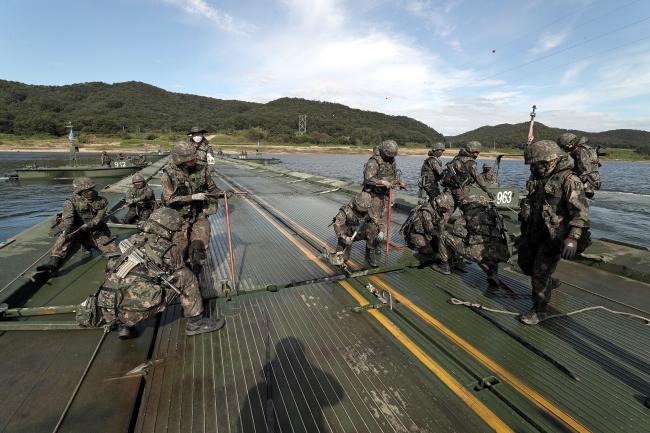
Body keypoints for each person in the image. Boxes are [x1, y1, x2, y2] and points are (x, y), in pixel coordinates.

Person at [87, 207, 224, 338]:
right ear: (168, 228)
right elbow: (177, 272)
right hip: (136, 312)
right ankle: (196, 322)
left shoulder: (129, 240)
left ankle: (125, 327)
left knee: (125, 276)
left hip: (110, 310)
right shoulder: (168, 248)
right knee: (186, 277)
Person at [517, 140, 590, 325]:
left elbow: (580, 212)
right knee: (525, 263)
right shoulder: (538, 177)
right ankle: (548, 282)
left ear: (550, 160)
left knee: (539, 272)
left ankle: (540, 310)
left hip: (554, 235)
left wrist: (573, 237)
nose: (534, 167)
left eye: (537, 163)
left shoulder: (569, 180)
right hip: (535, 230)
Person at [161, 142, 226, 274]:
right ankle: (181, 273)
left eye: (194, 158)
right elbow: (169, 200)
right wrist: (192, 197)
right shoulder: (168, 175)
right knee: (179, 248)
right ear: (181, 161)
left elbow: (212, 189)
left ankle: (196, 272)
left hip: (199, 214)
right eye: (191, 160)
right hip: (178, 217)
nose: (194, 161)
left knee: (201, 246)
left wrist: (223, 194)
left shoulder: (202, 169)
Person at [38, 177, 119, 274]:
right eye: (86, 191)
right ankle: (53, 263)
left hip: (95, 230)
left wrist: (88, 224)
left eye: (91, 189)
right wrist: (66, 230)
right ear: (79, 192)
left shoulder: (102, 201)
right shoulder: (70, 202)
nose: (90, 192)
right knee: (64, 238)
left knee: (112, 250)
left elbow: (99, 218)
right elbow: (68, 218)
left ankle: (90, 246)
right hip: (77, 230)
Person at [445, 196, 510, 285]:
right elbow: (504, 232)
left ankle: (445, 266)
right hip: (500, 253)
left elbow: (457, 232)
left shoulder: (467, 217)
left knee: (445, 236)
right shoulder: (495, 215)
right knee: (493, 244)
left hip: (478, 254)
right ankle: (493, 274)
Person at [362, 139, 405, 265]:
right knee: (374, 223)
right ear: (383, 151)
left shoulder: (391, 161)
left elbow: (394, 175)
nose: (391, 157)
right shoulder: (373, 162)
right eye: (389, 155)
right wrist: (381, 182)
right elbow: (368, 179)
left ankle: (378, 244)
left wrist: (399, 182)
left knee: (383, 222)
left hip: (386, 196)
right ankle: (369, 251)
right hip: (374, 195)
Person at [401, 191, 455, 274]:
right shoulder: (426, 211)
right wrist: (441, 235)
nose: (445, 211)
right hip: (417, 234)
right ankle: (421, 248)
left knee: (444, 241)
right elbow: (430, 230)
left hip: (429, 234)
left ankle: (439, 252)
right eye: (444, 208)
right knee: (425, 245)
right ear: (440, 205)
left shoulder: (439, 210)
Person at [331, 191, 380, 267]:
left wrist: (381, 231)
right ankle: (341, 252)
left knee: (373, 228)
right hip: (348, 234)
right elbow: (337, 225)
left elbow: (377, 221)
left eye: (365, 208)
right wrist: (345, 237)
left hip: (361, 231)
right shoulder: (346, 210)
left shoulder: (370, 209)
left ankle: (370, 255)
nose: (363, 210)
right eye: (361, 207)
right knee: (344, 259)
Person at [441, 141, 494, 208]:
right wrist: (488, 191)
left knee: (448, 213)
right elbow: (478, 178)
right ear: (470, 151)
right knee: (475, 210)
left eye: (478, 153)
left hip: (449, 190)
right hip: (461, 191)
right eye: (476, 152)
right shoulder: (470, 162)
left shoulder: (457, 158)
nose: (477, 155)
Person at [556, 133, 602, 199]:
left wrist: (578, 183)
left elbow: (585, 170)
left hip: (588, 183)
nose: (563, 149)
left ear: (569, 144)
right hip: (592, 181)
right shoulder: (585, 149)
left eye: (563, 146)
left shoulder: (580, 151)